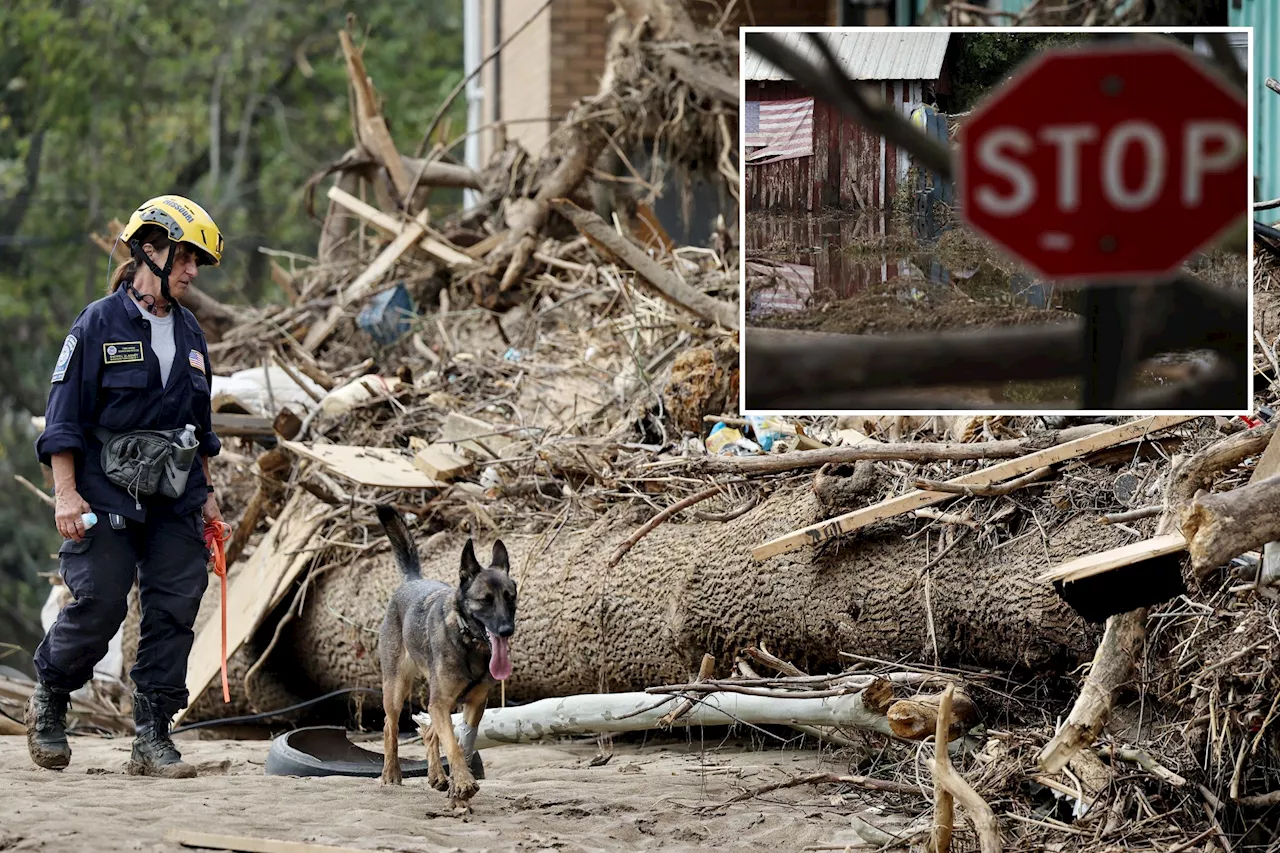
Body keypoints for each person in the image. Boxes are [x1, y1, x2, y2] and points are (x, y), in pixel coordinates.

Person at [27, 195, 226, 778]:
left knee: (174, 609)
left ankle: (153, 736)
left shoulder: (191, 335)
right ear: (150, 249)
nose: (192, 271)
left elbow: (201, 432)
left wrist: (209, 500)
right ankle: (52, 696)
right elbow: (62, 420)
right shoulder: (95, 324)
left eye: (197, 262)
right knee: (102, 601)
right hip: (104, 495)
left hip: (175, 498)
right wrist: (66, 495)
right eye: (186, 258)